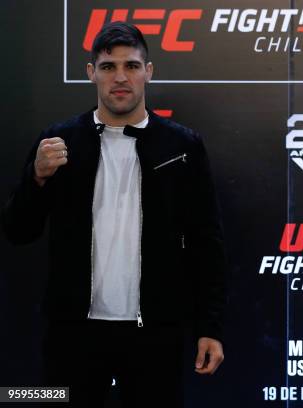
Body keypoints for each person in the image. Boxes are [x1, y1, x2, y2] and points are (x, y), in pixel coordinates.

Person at [1, 22, 227, 407]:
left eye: (132, 66)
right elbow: (18, 231)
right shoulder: (58, 141)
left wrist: (210, 327)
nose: (120, 77)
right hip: (72, 335)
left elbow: (207, 242)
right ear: (91, 74)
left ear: (148, 72)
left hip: (156, 334)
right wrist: (36, 178)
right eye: (108, 67)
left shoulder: (183, 145)